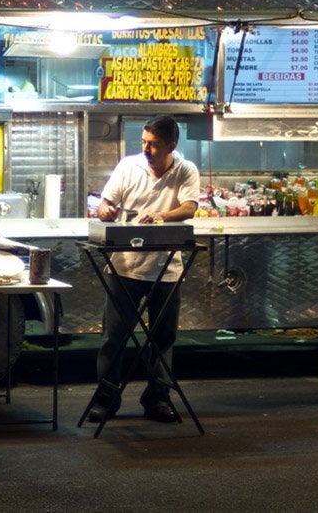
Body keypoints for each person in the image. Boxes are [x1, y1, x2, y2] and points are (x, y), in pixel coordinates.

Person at [87, 115, 200, 424]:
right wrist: (106, 209)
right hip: (124, 267)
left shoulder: (186, 170)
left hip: (166, 269)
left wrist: (160, 217)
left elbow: (190, 206)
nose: (147, 149)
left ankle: (158, 398)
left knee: (163, 338)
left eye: (154, 145)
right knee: (114, 337)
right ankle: (106, 399)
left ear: (171, 146)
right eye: (144, 143)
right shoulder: (128, 167)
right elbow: (104, 204)